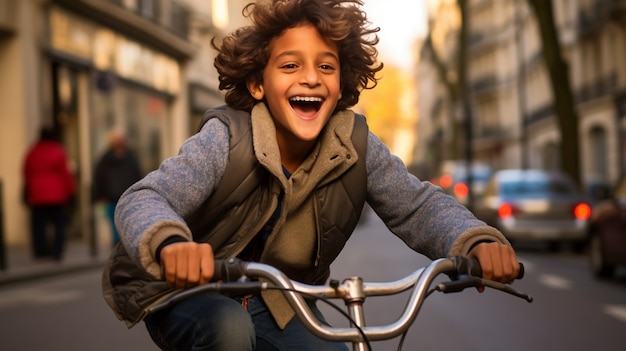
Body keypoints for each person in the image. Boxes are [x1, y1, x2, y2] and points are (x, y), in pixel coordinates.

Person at [102, 1, 521, 350]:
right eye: (290, 65)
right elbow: (144, 198)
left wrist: (477, 239)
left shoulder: (354, 143)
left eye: (326, 66)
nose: (310, 77)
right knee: (228, 331)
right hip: (188, 292)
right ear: (257, 84)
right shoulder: (227, 138)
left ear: (341, 84)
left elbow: (418, 206)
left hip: (279, 300)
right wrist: (172, 244)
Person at [23, 126, 76, 261]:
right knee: (59, 223)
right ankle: (57, 250)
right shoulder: (58, 151)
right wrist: (71, 191)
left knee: (39, 223)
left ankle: (41, 250)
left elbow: (26, 172)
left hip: (37, 194)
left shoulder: (32, 151)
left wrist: (28, 190)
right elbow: (65, 174)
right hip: (56, 194)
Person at [92, 128, 142, 246]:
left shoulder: (130, 157)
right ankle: (117, 245)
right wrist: (101, 195)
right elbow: (100, 177)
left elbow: (137, 175)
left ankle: (125, 245)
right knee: (114, 223)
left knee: (128, 222)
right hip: (111, 197)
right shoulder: (106, 158)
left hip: (129, 196)